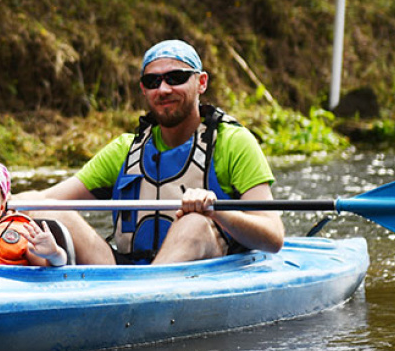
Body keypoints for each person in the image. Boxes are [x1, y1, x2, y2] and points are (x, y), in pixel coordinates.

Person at [18, 39, 284, 265]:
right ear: (144, 89)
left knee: (194, 222)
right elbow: (44, 199)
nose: (164, 89)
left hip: (205, 270)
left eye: (176, 78)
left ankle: (145, 295)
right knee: (50, 210)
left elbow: (273, 237)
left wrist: (216, 211)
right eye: (153, 81)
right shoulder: (126, 148)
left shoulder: (233, 142)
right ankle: (134, 296)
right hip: (125, 275)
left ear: (201, 82)